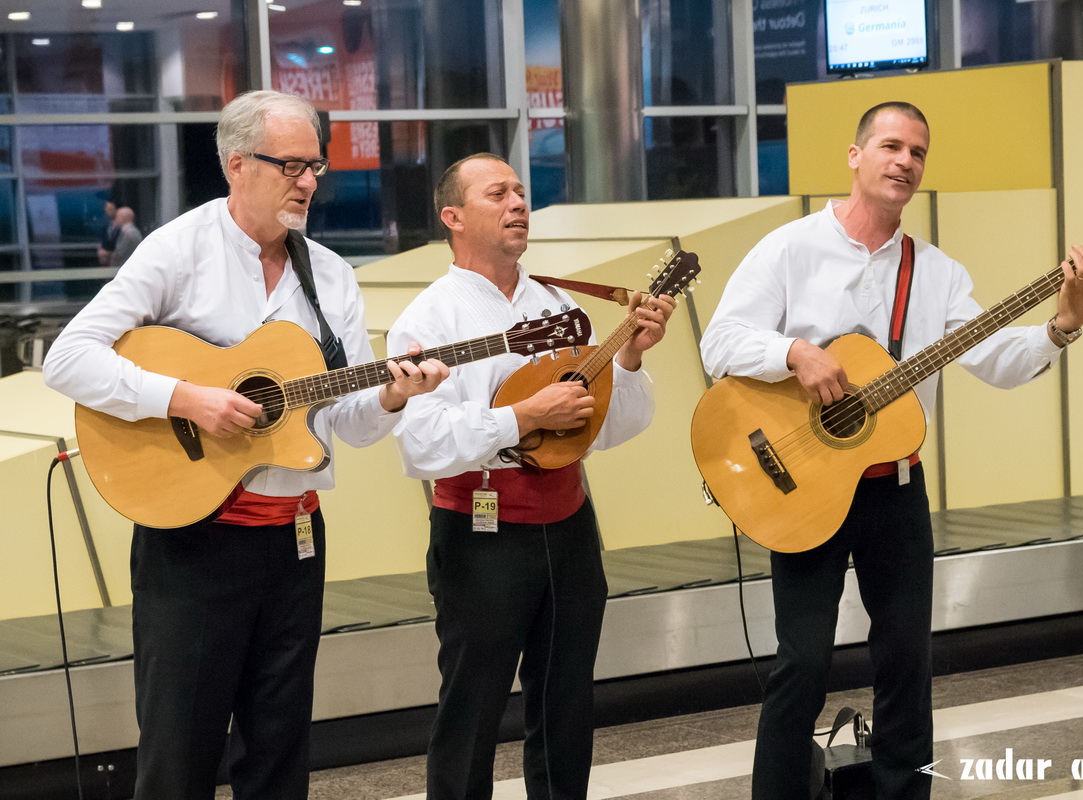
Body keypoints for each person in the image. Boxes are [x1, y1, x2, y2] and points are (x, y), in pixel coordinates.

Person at [43, 90, 448, 800]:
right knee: (180, 753)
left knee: (280, 747)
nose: (309, 182)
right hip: (194, 544)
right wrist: (185, 398)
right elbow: (68, 358)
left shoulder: (330, 276)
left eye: (316, 166)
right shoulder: (177, 250)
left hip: (294, 544)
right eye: (291, 164)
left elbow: (345, 424)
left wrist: (391, 394)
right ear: (237, 164)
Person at [699, 101, 1083, 800]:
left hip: (896, 489)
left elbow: (996, 358)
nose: (904, 162)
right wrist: (794, 352)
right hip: (802, 487)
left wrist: (1064, 324)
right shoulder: (789, 250)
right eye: (890, 146)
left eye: (917, 153)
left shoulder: (936, 271)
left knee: (907, 660)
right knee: (801, 662)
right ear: (855, 156)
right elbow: (719, 343)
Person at [386, 153, 675, 800]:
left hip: (571, 525)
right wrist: (521, 417)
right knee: (473, 708)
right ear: (452, 217)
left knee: (567, 704)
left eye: (521, 191)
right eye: (499, 193)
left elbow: (614, 425)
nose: (519, 202)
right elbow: (422, 446)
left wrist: (626, 358)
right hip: (479, 533)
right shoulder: (427, 319)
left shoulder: (561, 305)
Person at [97, 199, 119, 265]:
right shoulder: (106, 226)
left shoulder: (121, 227)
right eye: (106, 208)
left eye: (109, 209)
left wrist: (108, 253)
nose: (106, 211)